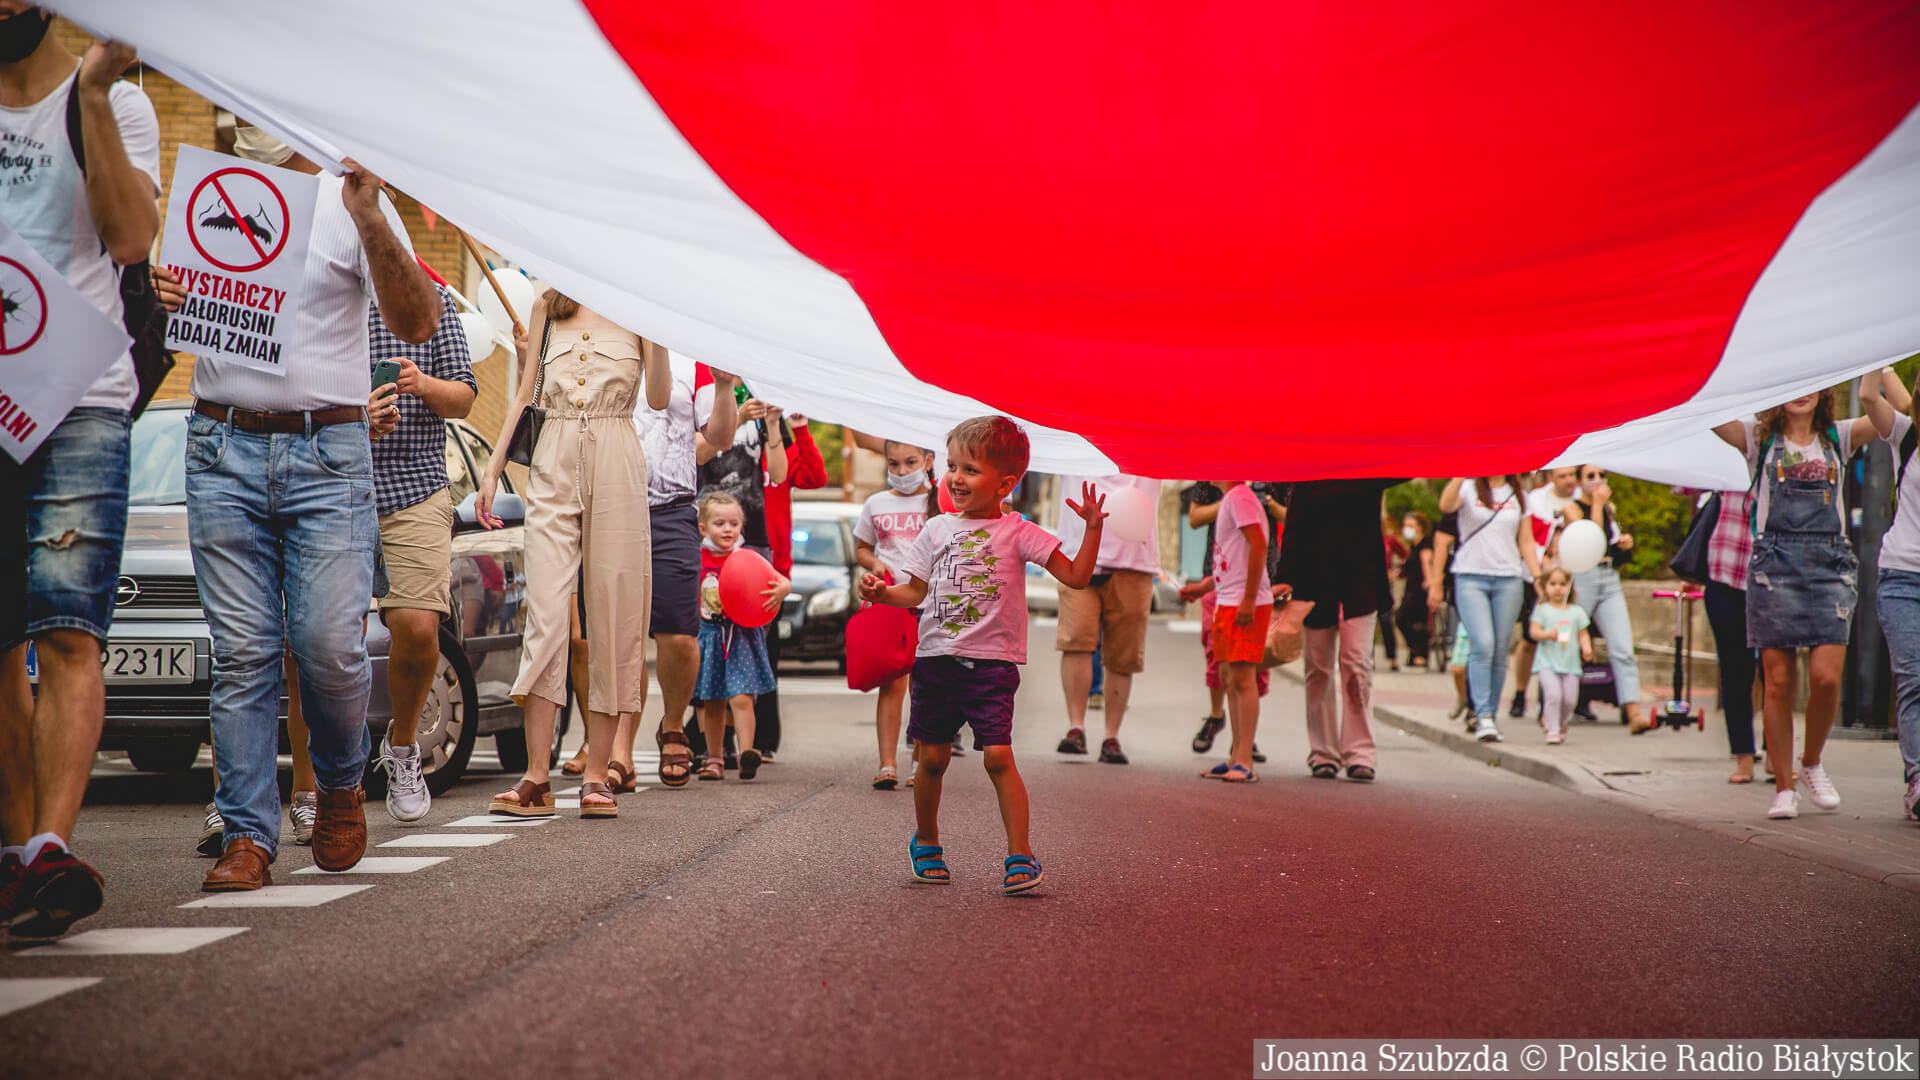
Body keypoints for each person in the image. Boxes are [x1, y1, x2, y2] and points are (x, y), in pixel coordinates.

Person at [187, 122, 438, 892]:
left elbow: (418, 322)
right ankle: (248, 835)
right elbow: (165, 312)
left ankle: (337, 781)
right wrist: (165, 289)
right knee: (244, 656)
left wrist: (369, 214)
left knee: (329, 648)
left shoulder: (351, 195)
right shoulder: (212, 194)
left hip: (327, 453)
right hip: (221, 446)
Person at [0, 10, 158, 935]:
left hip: (81, 396)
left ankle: (50, 847)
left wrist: (94, 93)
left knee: (67, 630)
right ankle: (19, 854)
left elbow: (133, 239)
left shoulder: (117, 106)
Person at [858, 417, 1103, 894]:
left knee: (997, 756)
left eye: (969, 469)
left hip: (993, 664)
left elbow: (1075, 577)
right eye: (952, 467)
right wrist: (882, 593)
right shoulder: (934, 530)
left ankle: (1020, 854)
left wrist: (1092, 529)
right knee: (931, 758)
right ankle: (926, 840)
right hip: (936, 661)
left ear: (1006, 484)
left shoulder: (1019, 532)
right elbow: (912, 591)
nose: (955, 478)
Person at [478, 290, 668, 820]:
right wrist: (494, 470)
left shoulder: (642, 310)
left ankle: (597, 775)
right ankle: (537, 777)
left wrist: (661, 328)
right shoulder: (548, 305)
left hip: (617, 456)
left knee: (614, 613)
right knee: (545, 614)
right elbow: (524, 396)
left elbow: (657, 396)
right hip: (552, 456)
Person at [1712, 376, 1893, 819]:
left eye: (1814, 382)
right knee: (1777, 682)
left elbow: (1883, 417)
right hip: (1775, 567)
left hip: (1829, 566)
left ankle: (1811, 762)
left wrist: (1875, 364)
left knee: (1827, 676)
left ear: (1825, 393)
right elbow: (1712, 415)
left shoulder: (1840, 435)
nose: (1803, 391)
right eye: (1794, 383)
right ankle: (1784, 787)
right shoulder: (1758, 439)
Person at [362, 287, 475, 820]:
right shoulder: (322, 290)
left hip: (415, 484)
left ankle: (402, 748)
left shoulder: (431, 300)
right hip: (333, 479)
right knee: (313, 642)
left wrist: (421, 383)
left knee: (417, 626)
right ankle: (315, 788)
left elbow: (465, 397)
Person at [613, 354, 738, 787]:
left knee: (680, 637)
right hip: (611, 508)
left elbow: (719, 437)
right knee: (618, 635)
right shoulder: (611, 339)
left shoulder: (693, 357)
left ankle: (672, 725)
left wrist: (723, 386)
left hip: (671, 512)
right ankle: (620, 752)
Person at [688, 385, 789, 768]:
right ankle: (714, 747)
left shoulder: (761, 397)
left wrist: (774, 424)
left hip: (752, 540)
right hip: (706, 531)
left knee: (746, 644)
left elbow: (779, 474)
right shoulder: (703, 397)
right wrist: (736, 420)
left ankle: (744, 741)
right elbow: (696, 453)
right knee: (709, 647)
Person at [1276, 480, 1398, 781]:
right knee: (1318, 667)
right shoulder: (1308, 472)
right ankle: (1323, 753)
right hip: (1314, 580)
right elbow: (1294, 524)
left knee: (1356, 662)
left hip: (1362, 580)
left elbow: (1402, 469)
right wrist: (1285, 578)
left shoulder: (1369, 465)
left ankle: (1360, 753)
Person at [1052, 474, 1160, 765]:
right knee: (1076, 642)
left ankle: (1111, 736)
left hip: (1134, 561)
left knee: (1123, 656)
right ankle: (1076, 727)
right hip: (1078, 556)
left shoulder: (1152, 439)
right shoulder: (1075, 439)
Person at [854, 440, 935, 789]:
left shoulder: (940, 502)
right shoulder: (876, 503)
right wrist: (874, 564)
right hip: (889, 600)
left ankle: (921, 762)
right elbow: (862, 547)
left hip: (930, 604)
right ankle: (887, 763)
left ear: (928, 461)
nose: (902, 472)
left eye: (910, 462)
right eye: (894, 464)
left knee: (926, 685)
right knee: (892, 683)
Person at [1436, 476, 1542, 744]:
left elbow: (1526, 541)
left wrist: (1537, 576)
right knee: (1483, 643)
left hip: (1509, 578)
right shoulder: (1469, 487)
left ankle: (1491, 715)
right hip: (1471, 576)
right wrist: (1461, 471)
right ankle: (1481, 714)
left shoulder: (1519, 495)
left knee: (1499, 648)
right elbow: (1446, 505)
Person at [692, 491, 788, 780]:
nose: (728, 529)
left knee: (742, 697)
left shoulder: (747, 557)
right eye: (719, 523)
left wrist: (782, 589)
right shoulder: (697, 557)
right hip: (708, 635)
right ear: (703, 528)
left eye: (734, 524)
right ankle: (714, 757)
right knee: (712, 701)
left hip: (741, 637)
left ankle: (747, 753)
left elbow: (780, 580)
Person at [1185, 480, 1272, 784]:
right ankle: (1236, 756)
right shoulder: (1231, 499)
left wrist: (1249, 598)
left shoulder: (1240, 497)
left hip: (1243, 603)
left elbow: (1259, 544)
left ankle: (1245, 760)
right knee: (1229, 677)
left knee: (1243, 679)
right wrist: (1205, 587)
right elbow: (1233, 558)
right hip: (1228, 600)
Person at [757, 408, 827, 761]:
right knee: (718, 650)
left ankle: (764, 737)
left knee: (766, 654)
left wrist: (799, 429)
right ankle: (710, 736)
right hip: (724, 565)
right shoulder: (729, 456)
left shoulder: (780, 455)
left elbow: (815, 477)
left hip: (772, 571)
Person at [1562, 466, 1650, 732]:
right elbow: (1592, 540)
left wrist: (1624, 543)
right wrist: (1598, 504)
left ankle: (1632, 711)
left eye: (1602, 475)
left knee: (1622, 645)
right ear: (1579, 481)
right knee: (1568, 642)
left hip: (1609, 577)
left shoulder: (1609, 507)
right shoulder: (1572, 508)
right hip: (1584, 578)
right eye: (1590, 476)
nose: (1597, 481)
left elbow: (1608, 544)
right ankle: (1556, 704)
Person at [1872, 368, 1920, 821]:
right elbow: (1869, 396)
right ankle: (1918, 779)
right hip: (1902, 577)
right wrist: (1880, 355)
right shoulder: (1907, 436)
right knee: (1913, 680)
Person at [1510, 466, 1579, 717]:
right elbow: (1529, 538)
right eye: (1563, 475)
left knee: (1563, 638)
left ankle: (1552, 700)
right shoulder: (1536, 500)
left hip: (1569, 580)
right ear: (1551, 477)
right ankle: (1520, 693)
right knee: (1530, 639)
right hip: (1538, 578)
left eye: (1573, 475)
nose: (1569, 480)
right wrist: (1539, 573)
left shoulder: (1581, 499)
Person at [1527, 567, 1592, 745]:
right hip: (1547, 662)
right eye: (1553, 584)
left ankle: (1561, 721)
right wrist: (1548, 635)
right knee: (1553, 694)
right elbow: (1534, 632)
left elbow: (1583, 633)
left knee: (1570, 699)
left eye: (1563, 584)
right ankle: (1552, 728)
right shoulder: (1542, 609)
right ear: (1545, 586)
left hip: (1570, 663)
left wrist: (1586, 648)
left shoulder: (1576, 611)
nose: (1558, 588)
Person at [1394, 512, 1433, 667]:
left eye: (1411, 526)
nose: (1406, 529)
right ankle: (1416, 653)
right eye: (1405, 526)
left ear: (1420, 528)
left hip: (1420, 590)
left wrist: (1430, 582)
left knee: (1403, 618)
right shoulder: (1412, 546)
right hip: (1410, 588)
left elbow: (1426, 562)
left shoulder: (1425, 544)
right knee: (1413, 622)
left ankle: (1419, 653)